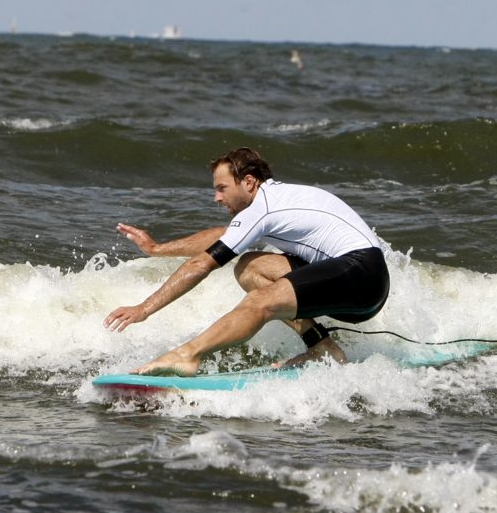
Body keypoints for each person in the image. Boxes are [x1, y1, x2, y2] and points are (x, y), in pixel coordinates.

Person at [104, 147, 389, 376]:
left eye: (222, 188)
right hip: (360, 276)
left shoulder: (264, 208)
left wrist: (144, 309)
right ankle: (322, 347)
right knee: (251, 267)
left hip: (361, 276)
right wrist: (157, 248)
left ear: (249, 181)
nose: (216, 197)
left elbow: (201, 265)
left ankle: (188, 355)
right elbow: (222, 236)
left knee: (260, 301)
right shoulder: (272, 200)